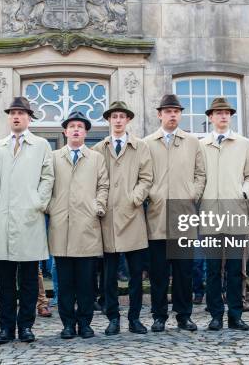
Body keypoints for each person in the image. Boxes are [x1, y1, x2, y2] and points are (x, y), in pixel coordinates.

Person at [0, 97, 54, 344]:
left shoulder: (41, 145)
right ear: (9, 118)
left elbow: (48, 177)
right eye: (12, 113)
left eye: (21, 113)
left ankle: (26, 326)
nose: (16, 117)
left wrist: (38, 202)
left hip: (30, 219)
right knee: (5, 282)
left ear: (29, 118)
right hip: (3, 222)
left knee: (28, 281)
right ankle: (6, 328)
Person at [144, 94, 206, 332]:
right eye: (168, 111)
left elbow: (201, 174)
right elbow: (142, 175)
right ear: (159, 114)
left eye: (176, 111)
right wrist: (153, 195)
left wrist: (193, 193)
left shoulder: (192, 142)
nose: (172, 115)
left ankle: (183, 315)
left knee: (183, 273)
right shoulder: (148, 143)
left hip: (183, 216)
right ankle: (159, 315)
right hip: (157, 217)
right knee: (159, 273)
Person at [92, 101, 153, 335]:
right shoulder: (99, 148)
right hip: (107, 218)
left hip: (133, 218)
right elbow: (95, 180)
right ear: (109, 120)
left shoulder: (140, 147)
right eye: (114, 116)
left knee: (136, 275)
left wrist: (134, 198)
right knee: (109, 275)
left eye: (122, 116)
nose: (118, 120)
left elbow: (147, 178)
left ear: (128, 120)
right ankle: (113, 318)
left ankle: (135, 318)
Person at [47, 111, 109, 339]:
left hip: (86, 226)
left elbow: (104, 185)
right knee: (64, 283)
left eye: (80, 127)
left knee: (85, 283)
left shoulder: (95, 158)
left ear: (85, 132)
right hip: (61, 227)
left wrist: (97, 205)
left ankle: (85, 323)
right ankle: (66, 324)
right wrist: (50, 207)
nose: (75, 130)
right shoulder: (53, 157)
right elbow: (46, 185)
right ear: (64, 132)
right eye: (71, 126)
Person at [199, 97, 249, 331]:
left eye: (226, 113)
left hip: (236, 213)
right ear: (211, 117)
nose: (223, 116)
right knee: (213, 269)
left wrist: (243, 193)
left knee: (235, 269)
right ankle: (215, 315)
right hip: (210, 214)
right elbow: (198, 176)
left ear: (230, 116)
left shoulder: (244, 144)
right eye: (218, 113)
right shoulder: (201, 146)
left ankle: (235, 315)